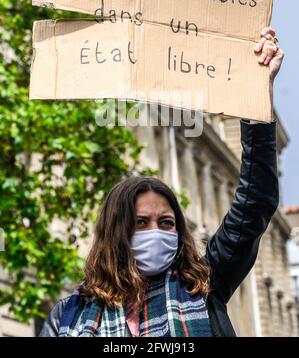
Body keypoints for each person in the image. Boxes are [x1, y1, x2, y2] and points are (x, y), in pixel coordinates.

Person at [40, 27, 284, 337]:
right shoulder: (68, 316)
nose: (155, 232)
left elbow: (256, 202)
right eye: (140, 222)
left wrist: (256, 95)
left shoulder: (204, 287)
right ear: (115, 231)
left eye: (166, 223)